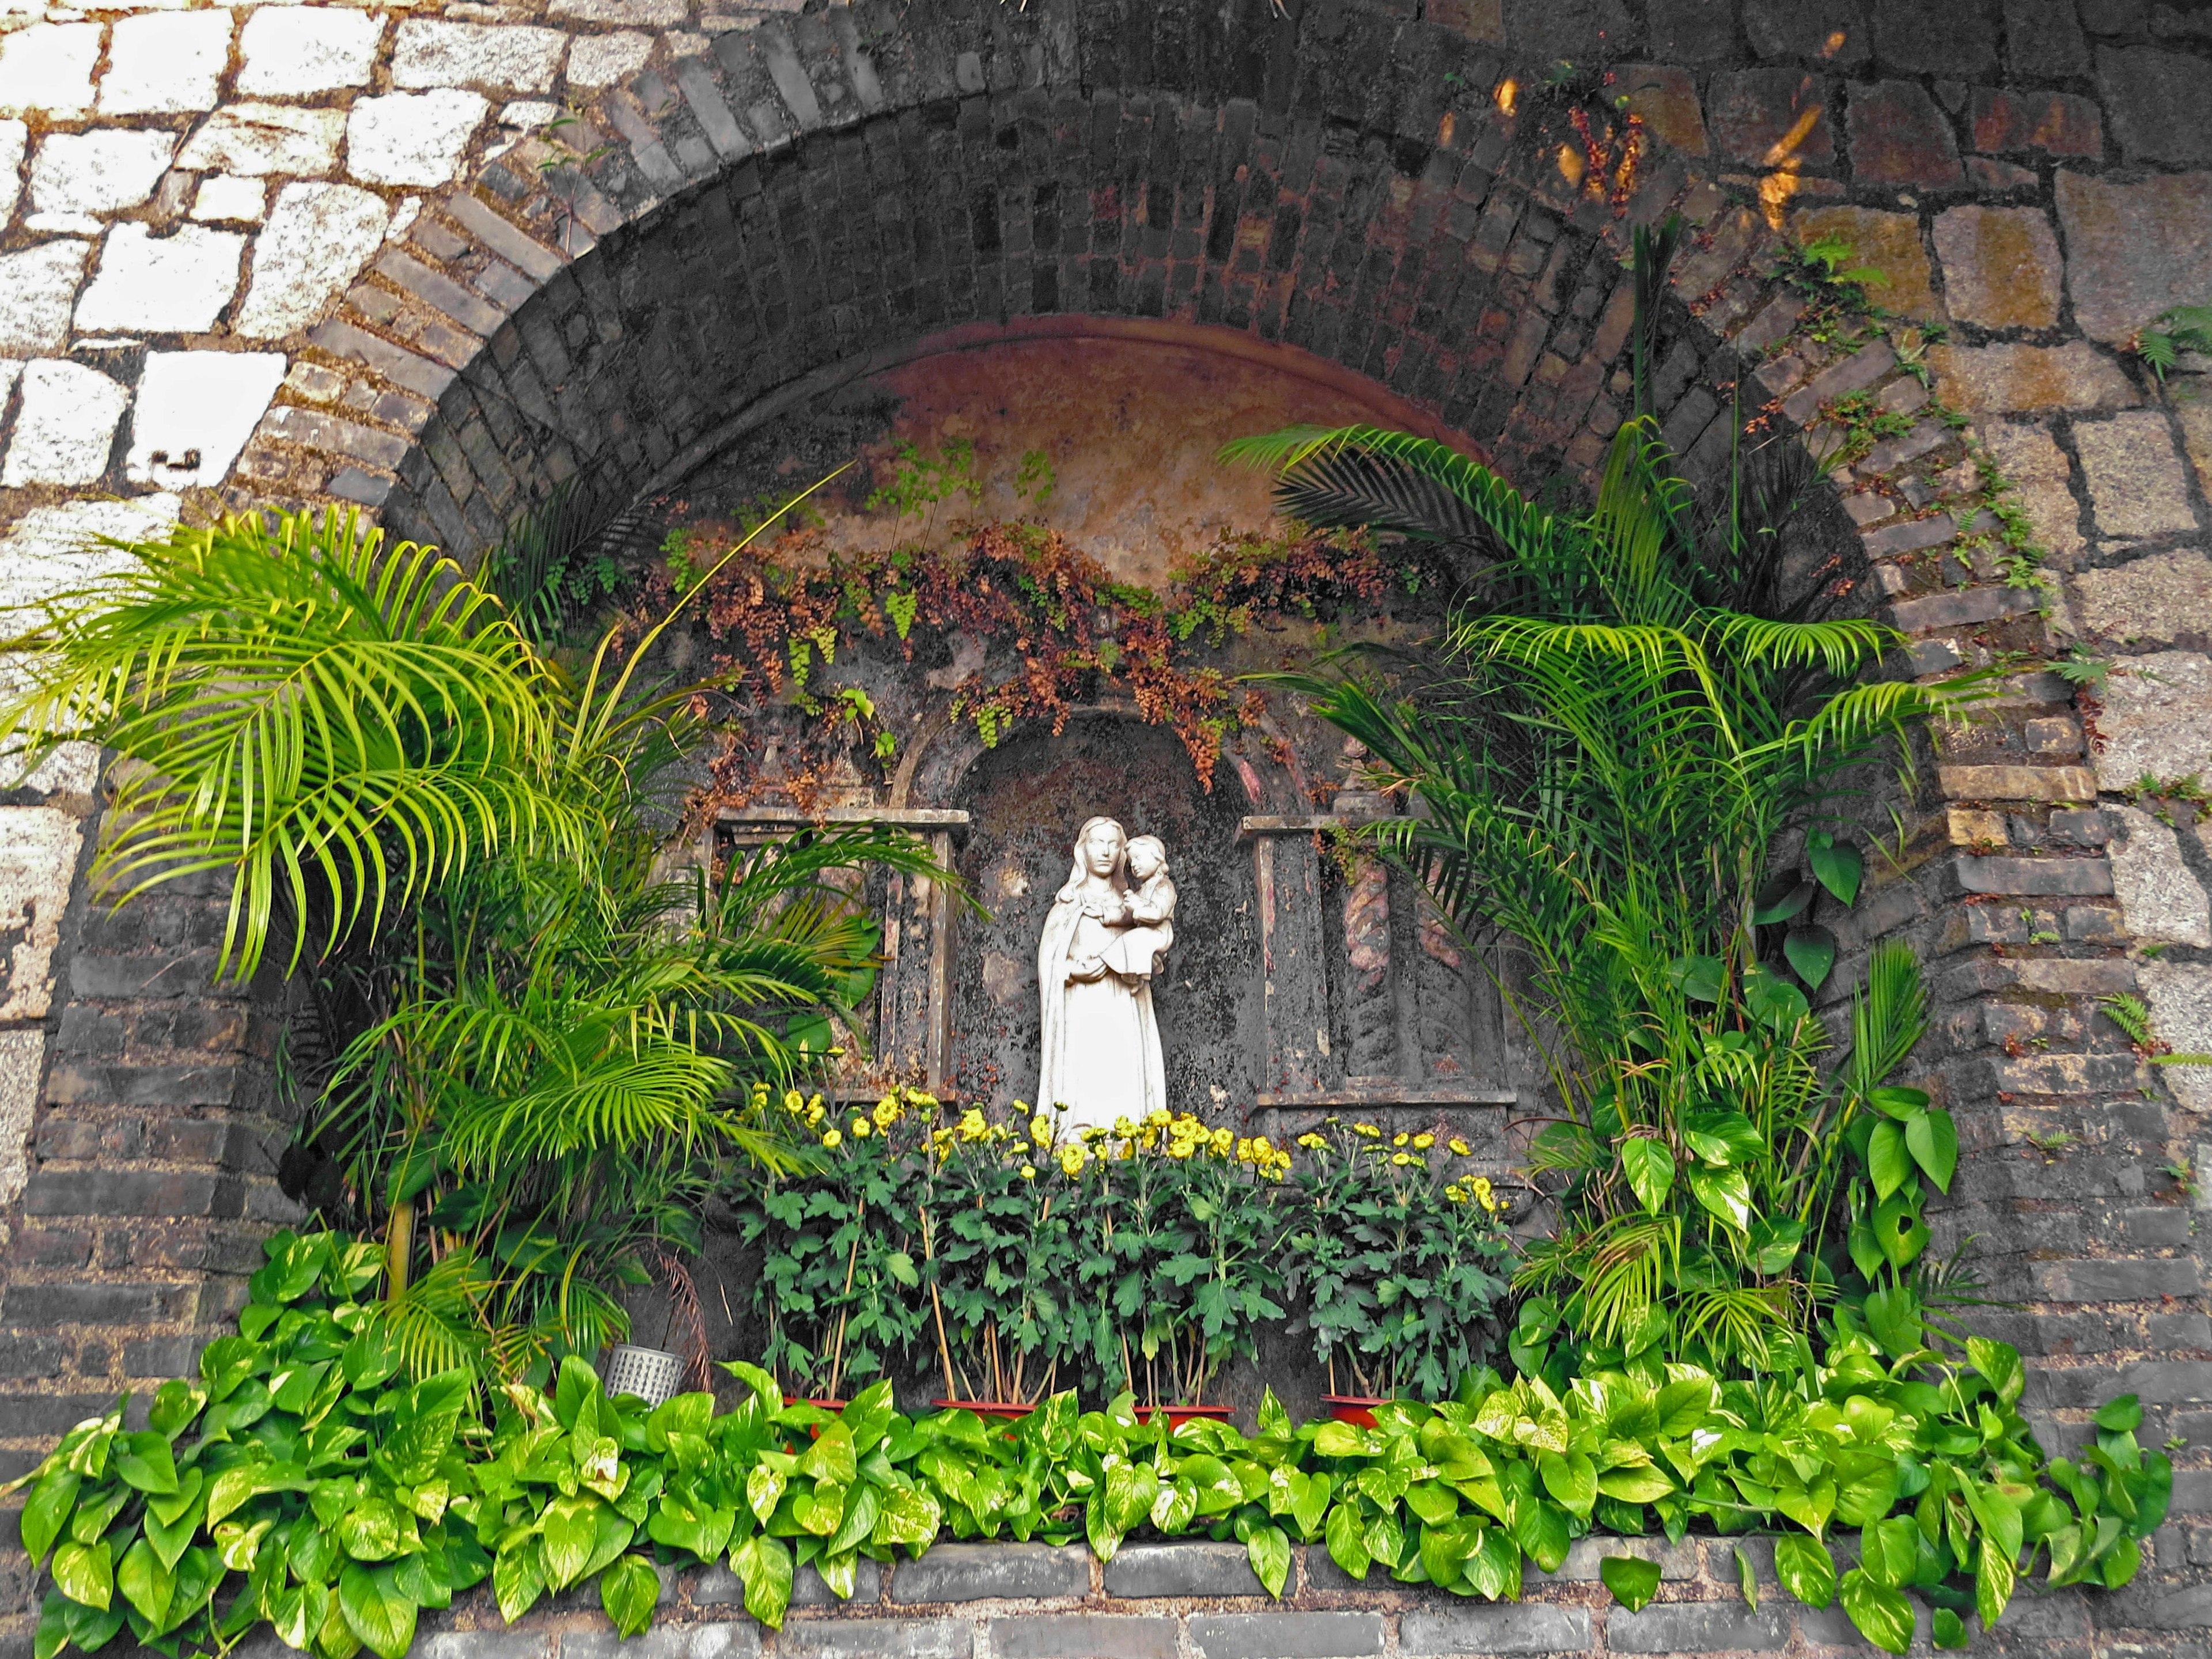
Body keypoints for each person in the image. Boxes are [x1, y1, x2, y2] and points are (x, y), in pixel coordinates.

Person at [1034, 816, 1168, 1130]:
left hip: (1123, 1002)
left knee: (1121, 1068)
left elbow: (1152, 951)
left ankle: (1129, 1131)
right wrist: (1072, 971)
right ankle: (1076, 1129)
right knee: (1084, 1067)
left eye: (1113, 844)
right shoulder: (1068, 903)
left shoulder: (1134, 905)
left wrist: (1127, 964)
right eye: (1098, 843)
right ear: (1084, 850)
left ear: (1123, 853)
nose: (1106, 852)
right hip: (1080, 1003)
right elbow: (1050, 960)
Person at [1103, 835, 1176, 979]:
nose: (1134, 865)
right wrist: (1106, 914)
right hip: (1147, 932)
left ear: (1157, 858)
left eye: (1138, 858)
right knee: (1135, 939)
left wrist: (1137, 905)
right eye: (1131, 862)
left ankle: (1137, 975)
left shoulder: (1164, 886)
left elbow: (1158, 913)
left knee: (1133, 938)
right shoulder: (1142, 890)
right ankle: (1150, 966)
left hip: (1160, 933)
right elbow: (1128, 917)